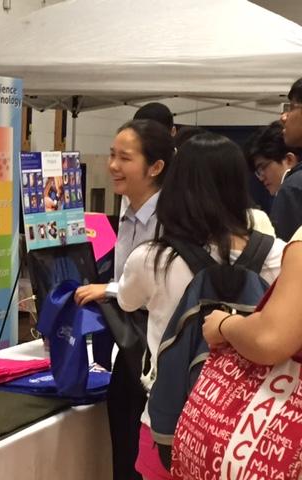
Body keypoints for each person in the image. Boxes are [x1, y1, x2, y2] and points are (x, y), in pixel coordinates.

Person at [116, 133, 284, 479]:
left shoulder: (152, 259)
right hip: (249, 436)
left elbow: (126, 300)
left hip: (168, 427)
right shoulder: (279, 256)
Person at [74, 119, 174, 480]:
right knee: (123, 454)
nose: (113, 165)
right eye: (112, 155)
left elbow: (159, 285)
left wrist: (110, 290)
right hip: (131, 350)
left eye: (125, 158)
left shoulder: (173, 217)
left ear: (156, 166)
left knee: (147, 459)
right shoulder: (128, 212)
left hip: (162, 358)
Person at [245, 120, 302, 240]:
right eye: (258, 172)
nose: (261, 177)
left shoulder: (290, 190)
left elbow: (286, 250)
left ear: (289, 160)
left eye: (263, 167)